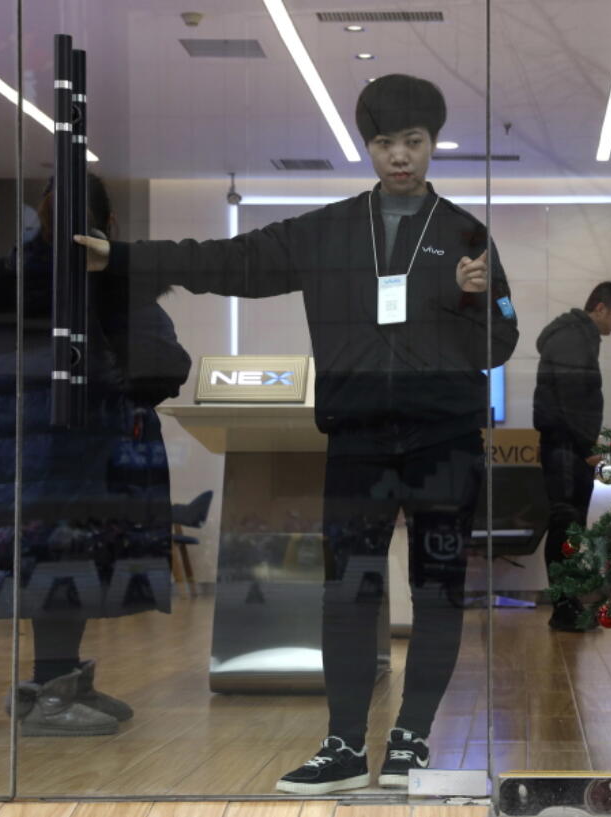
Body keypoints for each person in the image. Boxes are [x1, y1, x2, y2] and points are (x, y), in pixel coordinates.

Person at [75, 74, 518, 794]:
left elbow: (500, 343)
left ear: (433, 144)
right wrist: (123, 258)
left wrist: (474, 302)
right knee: (348, 590)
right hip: (358, 441)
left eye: (413, 142)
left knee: (436, 589)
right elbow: (228, 261)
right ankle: (344, 744)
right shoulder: (329, 230)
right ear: (367, 147)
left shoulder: (469, 235)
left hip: (446, 442)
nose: (399, 156)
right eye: (384, 143)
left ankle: (410, 741)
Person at [0, 174, 191, 735]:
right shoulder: (113, 281)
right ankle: (51, 694)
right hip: (89, 444)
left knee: (49, 562)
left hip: (19, 445)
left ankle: (56, 683)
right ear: (109, 225)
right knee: (71, 563)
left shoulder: (4, 282)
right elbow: (162, 366)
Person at [533, 282, 611, 632]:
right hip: (566, 448)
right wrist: (587, 449)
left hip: (565, 446)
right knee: (566, 525)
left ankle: (568, 603)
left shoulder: (576, 337)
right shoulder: (574, 338)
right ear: (600, 308)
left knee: (569, 525)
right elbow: (572, 401)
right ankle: (563, 607)